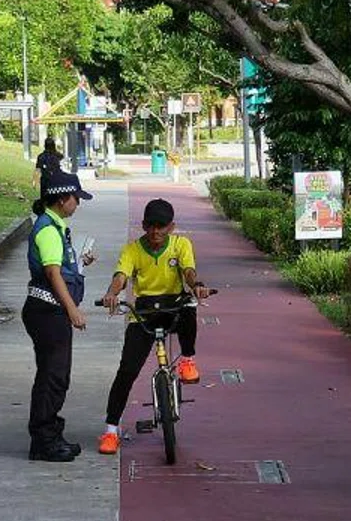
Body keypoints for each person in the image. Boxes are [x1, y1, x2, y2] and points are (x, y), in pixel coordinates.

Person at [95, 198, 213, 455]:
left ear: (171, 227)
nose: (155, 232)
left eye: (161, 227)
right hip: (145, 310)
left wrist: (197, 286)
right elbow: (121, 277)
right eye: (150, 226)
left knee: (189, 306)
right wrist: (111, 294)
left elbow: (189, 271)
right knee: (126, 371)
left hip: (173, 306)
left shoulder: (182, 244)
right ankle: (111, 431)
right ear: (143, 225)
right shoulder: (132, 250)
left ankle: (187, 360)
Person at [21, 166, 97, 462]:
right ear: (63, 199)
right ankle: (44, 441)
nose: (77, 203)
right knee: (53, 377)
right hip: (49, 312)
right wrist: (73, 310)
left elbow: (60, 269)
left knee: (54, 375)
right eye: (76, 198)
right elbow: (52, 273)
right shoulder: (48, 230)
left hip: (49, 312)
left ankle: (51, 432)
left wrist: (80, 264)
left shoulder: (53, 227)